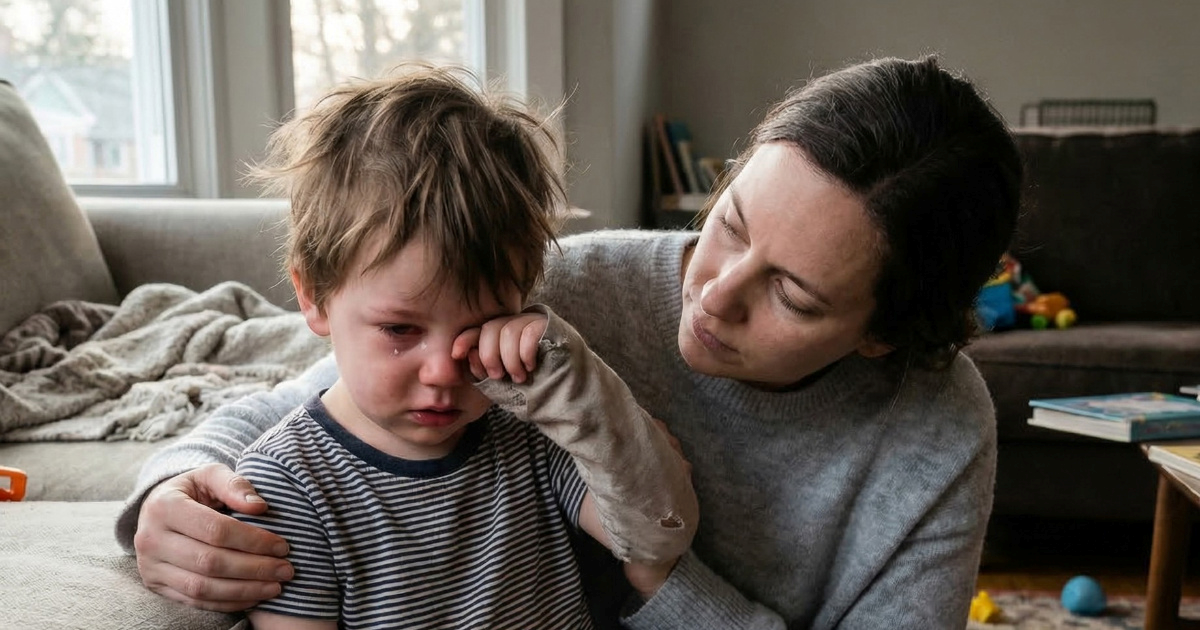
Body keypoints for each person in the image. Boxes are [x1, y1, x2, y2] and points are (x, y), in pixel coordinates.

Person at [118, 55, 1022, 629]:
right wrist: (169, 491)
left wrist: (660, 582)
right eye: (731, 223)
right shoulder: (568, 290)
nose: (713, 293)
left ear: (883, 338)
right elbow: (310, 409)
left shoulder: (936, 429)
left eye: (791, 293)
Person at [177, 64, 697, 629]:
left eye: (482, 326)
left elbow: (657, 537)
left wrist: (575, 380)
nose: (444, 372)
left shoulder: (535, 427)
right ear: (315, 298)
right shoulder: (289, 483)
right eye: (400, 330)